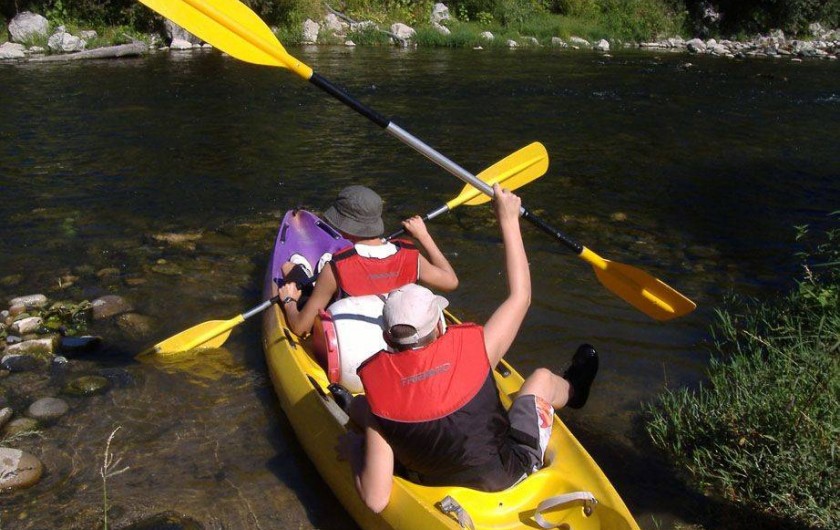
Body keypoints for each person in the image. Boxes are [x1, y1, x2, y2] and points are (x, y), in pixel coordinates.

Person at [337, 184, 599, 513]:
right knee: (542, 380)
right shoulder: (478, 352)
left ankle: (350, 408)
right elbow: (521, 296)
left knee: (363, 409)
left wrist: (354, 449)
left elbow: (376, 500)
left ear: (387, 339)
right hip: (509, 475)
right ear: (441, 326)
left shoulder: (380, 402)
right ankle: (575, 391)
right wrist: (508, 219)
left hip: (434, 485)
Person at [279, 185, 458, 337]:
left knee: (289, 269)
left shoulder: (335, 268)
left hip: (353, 343)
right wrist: (424, 236)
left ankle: (301, 269)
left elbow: (300, 327)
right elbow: (451, 282)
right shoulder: (410, 255)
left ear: (344, 226)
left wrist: (289, 302)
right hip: (396, 338)